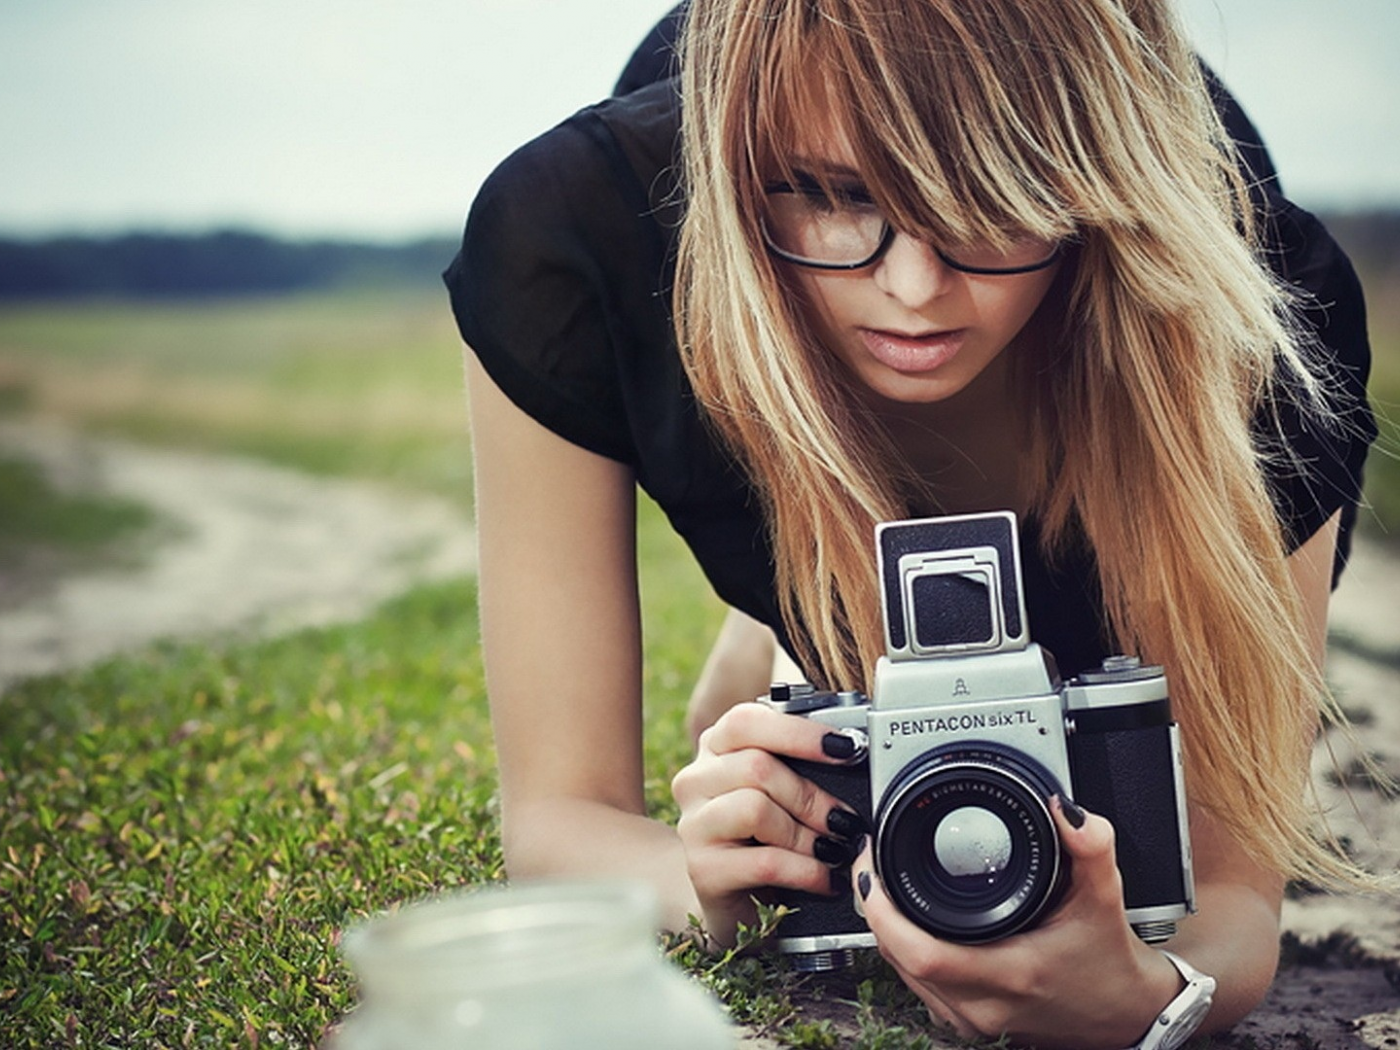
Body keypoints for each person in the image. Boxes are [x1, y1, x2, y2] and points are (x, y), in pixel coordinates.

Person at [444, 1, 1376, 1046]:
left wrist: (1136, 997)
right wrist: (705, 881)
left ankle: (807, 611)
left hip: (1144, 335)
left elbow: (1230, 905)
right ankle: (792, 599)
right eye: (832, 198)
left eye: (986, 206)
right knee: (791, 681)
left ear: (1086, 192)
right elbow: (557, 822)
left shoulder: (1263, 314)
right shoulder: (584, 235)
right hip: (722, 289)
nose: (914, 289)